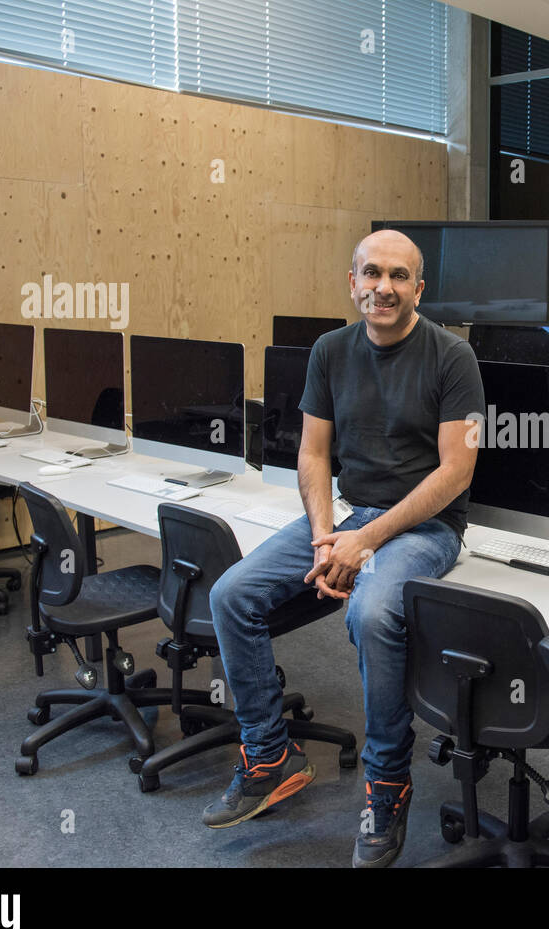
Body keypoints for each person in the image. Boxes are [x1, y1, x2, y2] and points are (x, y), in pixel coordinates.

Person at [202, 229, 483, 868]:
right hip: (350, 517)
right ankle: (269, 755)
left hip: (424, 528)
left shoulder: (452, 357)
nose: (383, 287)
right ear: (352, 281)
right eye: (371, 273)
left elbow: (456, 473)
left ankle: (386, 784)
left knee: (371, 613)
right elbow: (314, 452)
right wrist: (330, 535)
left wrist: (366, 542)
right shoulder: (330, 351)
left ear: (418, 288)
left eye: (399, 276)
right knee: (231, 595)